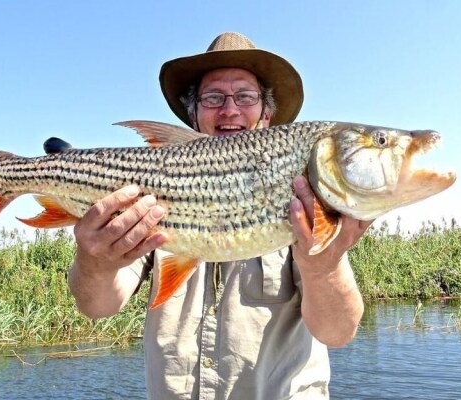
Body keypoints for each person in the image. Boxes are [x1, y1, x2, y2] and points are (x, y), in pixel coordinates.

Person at [68, 32, 371, 399]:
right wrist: (93, 261)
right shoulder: (151, 194)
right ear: (193, 115)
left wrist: (323, 264)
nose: (230, 110)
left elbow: (337, 332)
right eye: (213, 98)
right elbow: (98, 306)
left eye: (245, 96)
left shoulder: (301, 192)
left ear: (267, 114)